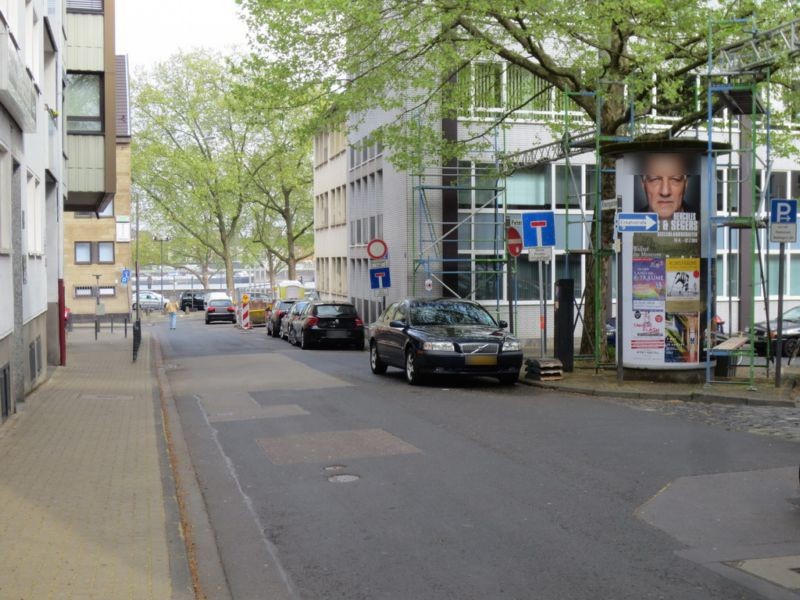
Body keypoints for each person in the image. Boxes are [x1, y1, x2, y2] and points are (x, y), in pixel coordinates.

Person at [640, 154, 690, 219]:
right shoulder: (630, 223)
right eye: (655, 179)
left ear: (685, 184)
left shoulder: (703, 220)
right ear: (643, 184)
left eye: (675, 179)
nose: (665, 192)